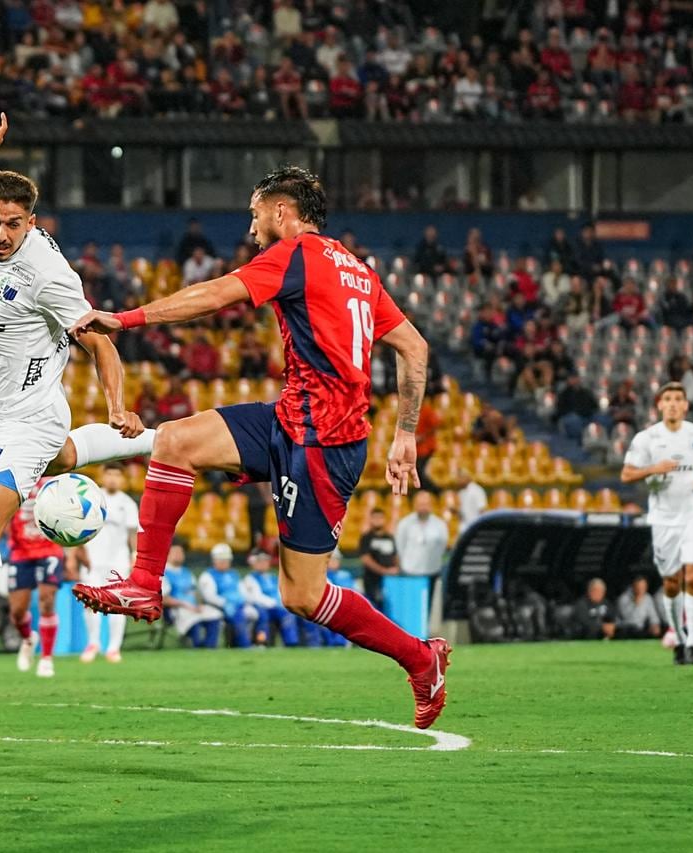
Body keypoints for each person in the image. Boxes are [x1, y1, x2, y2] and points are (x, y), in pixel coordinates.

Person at [71, 165, 451, 729]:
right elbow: (413, 347)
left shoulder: (298, 253)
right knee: (174, 440)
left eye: (255, 213)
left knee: (302, 595)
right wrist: (405, 434)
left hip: (324, 443)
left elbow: (216, 294)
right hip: (289, 418)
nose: (251, 226)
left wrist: (125, 318)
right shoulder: (358, 272)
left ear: (282, 212)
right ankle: (144, 585)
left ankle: (421, 658)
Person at [0, 114, 155, 707]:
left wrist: (117, 401)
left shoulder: (46, 273)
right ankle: (160, 440)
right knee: (66, 457)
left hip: (30, 416)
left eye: (15, 226)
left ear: (34, 226)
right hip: (1, 411)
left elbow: (99, 339)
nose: (2, 235)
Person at [621, 382, 693, 666]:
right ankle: (677, 633)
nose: (673, 403)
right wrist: (653, 468)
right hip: (664, 519)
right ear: (659, 405)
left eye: (678, 398)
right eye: (668, 399)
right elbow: (626, 474)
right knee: (672, 584)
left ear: (686, 405)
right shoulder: (647, 439)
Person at [79, 463, 140, 663]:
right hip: (92, 560)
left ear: (122, 479)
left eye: (117, 475)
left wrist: (134, 556)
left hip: (118, 561)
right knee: (90, 603)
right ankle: (93, 643)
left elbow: (133, 533)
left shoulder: (128, 503)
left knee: (117, 605)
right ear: (102, 476)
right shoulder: (92, 499)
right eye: (109, 474)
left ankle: (113, 648)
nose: (113, 478)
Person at [5, 482, 65, 677]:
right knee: (17, 612)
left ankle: (47, 659)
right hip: (21, 552)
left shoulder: (55, 482)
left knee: (47, 600)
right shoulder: (16, 479)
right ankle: (28, 639)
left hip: (49, 548)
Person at [161, 544, 222, 648]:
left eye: (181, 553)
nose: (179, 555)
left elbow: (195, 592)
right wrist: (185, 605)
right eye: (176, 552)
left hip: (193, 607)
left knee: (215, 614)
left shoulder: (186, 572)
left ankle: (210, 646)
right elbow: (163, 599)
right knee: (192, 619)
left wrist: (198, 605)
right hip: (176, 609)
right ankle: (196, 645)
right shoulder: (163, 573)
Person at [394, 492, 450, 601]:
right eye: (420, 504)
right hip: (410, 572)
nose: (423, 507)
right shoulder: (404, 524)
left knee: (430, 604)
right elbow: (400, 546)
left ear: (431, 505)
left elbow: (443, 546)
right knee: (412, 603)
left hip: (433, 572)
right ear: (414, 505)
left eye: (426, 504)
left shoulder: (440, 525)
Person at [198, 543, 255, 648]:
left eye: (227, 559)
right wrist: (225, 603)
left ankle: (260, 643)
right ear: (214, 560)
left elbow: (242, 591)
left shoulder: (233, 574)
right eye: (221, 559)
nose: (225, 562)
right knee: (239, 616)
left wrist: (243, 601)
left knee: (257, 613)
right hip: (219, 607)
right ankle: (245, 645)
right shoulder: (208, 575)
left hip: (238, 605)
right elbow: (209, 596)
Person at [242, 550, 299, 646]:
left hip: (275, 607)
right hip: (260, 607)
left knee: (287, 614)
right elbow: (256, 597)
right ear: (254, 564)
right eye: (260, 562)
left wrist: (280, 603)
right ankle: (262, 642)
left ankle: (291, 643)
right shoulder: (250, 579)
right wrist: (274, 603)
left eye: (265, 561)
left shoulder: (273, 578)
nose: (263, 564)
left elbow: (280, 592)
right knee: (263, 615)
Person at [358, 508, 399, 613]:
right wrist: (384, 571)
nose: (377, 520)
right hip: (372, 581)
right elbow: (366, 559)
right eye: (375, 518)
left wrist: (397, 569)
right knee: (374, 610)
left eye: (380, 517)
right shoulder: (366, 537)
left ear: (385, 519)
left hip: (390, 581)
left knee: (389, 610)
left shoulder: (389, 537)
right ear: (370, 519)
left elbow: (395, 556)